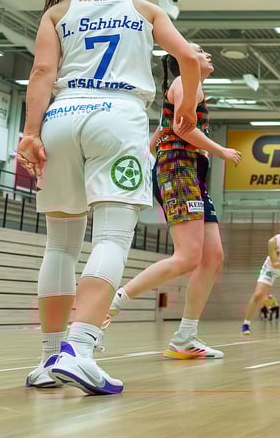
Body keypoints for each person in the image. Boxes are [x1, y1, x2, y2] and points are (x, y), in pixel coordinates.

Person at [20, 0, 201, 395]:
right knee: (113, 236)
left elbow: (42, 75)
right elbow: (189, 58)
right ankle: (80, 348)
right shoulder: (144, 8)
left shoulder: (57, 13)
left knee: (59, 246)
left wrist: (29, 132)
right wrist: (190, 108)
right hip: (116, 117)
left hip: (62, 115)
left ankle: (49, 357)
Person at [107, 48, 241, 360]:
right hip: (180, 169)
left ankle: (185, 336)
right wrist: (220, 150)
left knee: (212, 257)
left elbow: (165, 130)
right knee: (187, 257)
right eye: (198, 51)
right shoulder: (184, 82)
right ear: (184, 59)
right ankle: (115, 300)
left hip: (191, 171)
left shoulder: (190, 85)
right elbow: (183, 129)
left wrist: (150, 155)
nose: (206, 54)